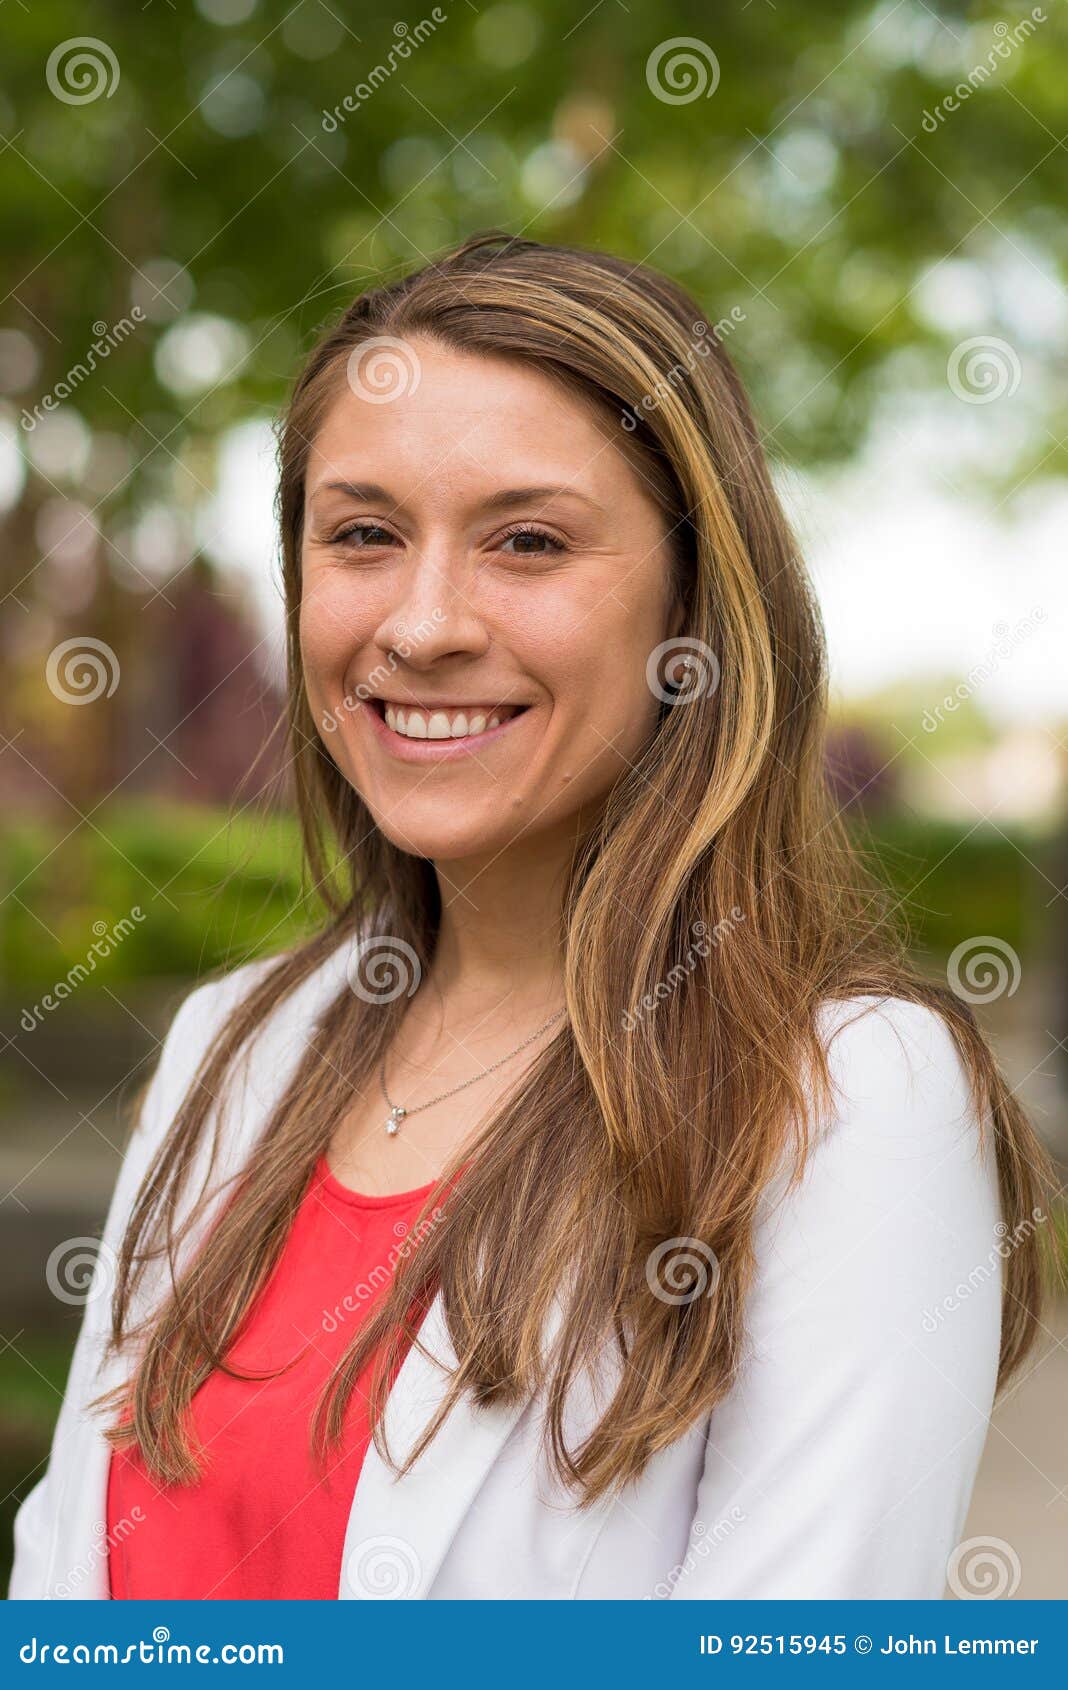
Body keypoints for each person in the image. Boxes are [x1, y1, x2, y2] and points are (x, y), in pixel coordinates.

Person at [9, 232, 1055, 1601]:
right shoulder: (229, 1043)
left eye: (530, 540)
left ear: (693, 602)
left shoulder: (849, 1099)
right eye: (365, 534)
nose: (425, 621)